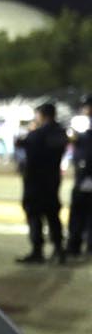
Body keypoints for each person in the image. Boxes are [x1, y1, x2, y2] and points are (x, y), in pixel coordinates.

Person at [16, 101, 69, 263]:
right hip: (52, 179)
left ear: (42, 115)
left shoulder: (37, 134)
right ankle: (59, 249)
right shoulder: (60, 133)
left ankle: (37, 251)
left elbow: (27, 154)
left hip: (35, 181)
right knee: (53, 214)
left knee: (34, 215)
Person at [67, 96, 92, 259]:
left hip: (86, 178)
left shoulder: (86, 132)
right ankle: (81, 244)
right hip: (84, 176)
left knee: (80, 212)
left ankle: (75, 245)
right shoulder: (84, 128)